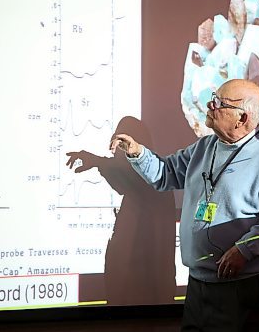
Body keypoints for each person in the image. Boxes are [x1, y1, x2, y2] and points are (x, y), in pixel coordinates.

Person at [110, 79, 259, 331]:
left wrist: (244, 250)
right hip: (199, 284)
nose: (209, 106)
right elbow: (166, 173)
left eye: (219, 103)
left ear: (242, 118)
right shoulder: (204, 146)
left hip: (243, 288)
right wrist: (137, 153)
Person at [66, 116, 176, 305]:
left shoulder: (154, 179)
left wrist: (97, 162)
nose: (115, 150)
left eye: (122, 144)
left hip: (145, 299)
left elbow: (131, 178)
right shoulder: (138, 190)